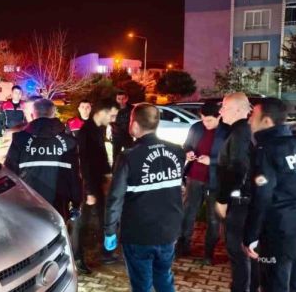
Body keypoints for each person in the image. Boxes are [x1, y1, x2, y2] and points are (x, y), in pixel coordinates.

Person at [104, 103, 186, 292]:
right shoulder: (177, 151)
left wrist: (109, 230)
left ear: (134, 125)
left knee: (142, 285)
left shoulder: (128, 156)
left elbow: (115, 198)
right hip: (169, 230)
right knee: (164, 278)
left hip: (139, 233)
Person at [242, 98, 296, 292]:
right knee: (295, 283)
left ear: (267, 120)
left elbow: (262, 196)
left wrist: (250, 236)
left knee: (273, 282)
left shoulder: (266, 151)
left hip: (277, 229)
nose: (249, 120)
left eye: (253, 116)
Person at [4, 99, 83, 233]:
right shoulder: (70, 142)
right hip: (59, 207)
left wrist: (10, 203)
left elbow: (10, 173)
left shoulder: (20, 139)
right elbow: (75, 176)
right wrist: (76, 203)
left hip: (28, 205)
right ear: (54, 114)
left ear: (33, 115)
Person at [176, 101, 229, 264]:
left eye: (209, 120)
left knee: (213, 218)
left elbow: (231, 158)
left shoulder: (227, 131)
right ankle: (183, 246)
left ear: (219, 117)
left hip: (215, 180)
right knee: (187, 213)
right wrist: (188, 152)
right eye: (203, 119)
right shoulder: (196, 127)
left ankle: (208, 253)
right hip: (194, 177)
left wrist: (212, 161)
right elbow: (186, 145)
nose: (205, 123)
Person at [216, 92, 258, 292]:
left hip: (240, 203)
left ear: (239, 109)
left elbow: (236, 168)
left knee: (238, 252)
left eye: (225, 107)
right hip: (248, 200)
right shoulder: (245, 130)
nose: (221, 111)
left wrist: (223, 200)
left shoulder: (240, 133)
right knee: (248, 251)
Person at [74, 98, 120, 271]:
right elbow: (84, 162)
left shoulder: (97, 129)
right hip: (88, 184)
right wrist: (89, 191)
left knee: (102, 217)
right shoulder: (85, 132)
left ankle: (105, 252)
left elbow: (100, 155)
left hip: (97, 182)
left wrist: (107, 173)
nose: (113, 119)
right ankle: (78, 258)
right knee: (83, 223)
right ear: (102, 112)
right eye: (112, 115)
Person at [111, 91, 132, 162]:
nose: (121, 101)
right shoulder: (112, 109)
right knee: (116, 157)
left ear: (127, 99)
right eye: (119, 99)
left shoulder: (132, 109)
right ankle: (115, 169)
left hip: (128, 137)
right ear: (116, 99)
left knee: (130, 156)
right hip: (116, 137)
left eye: (123, 98)